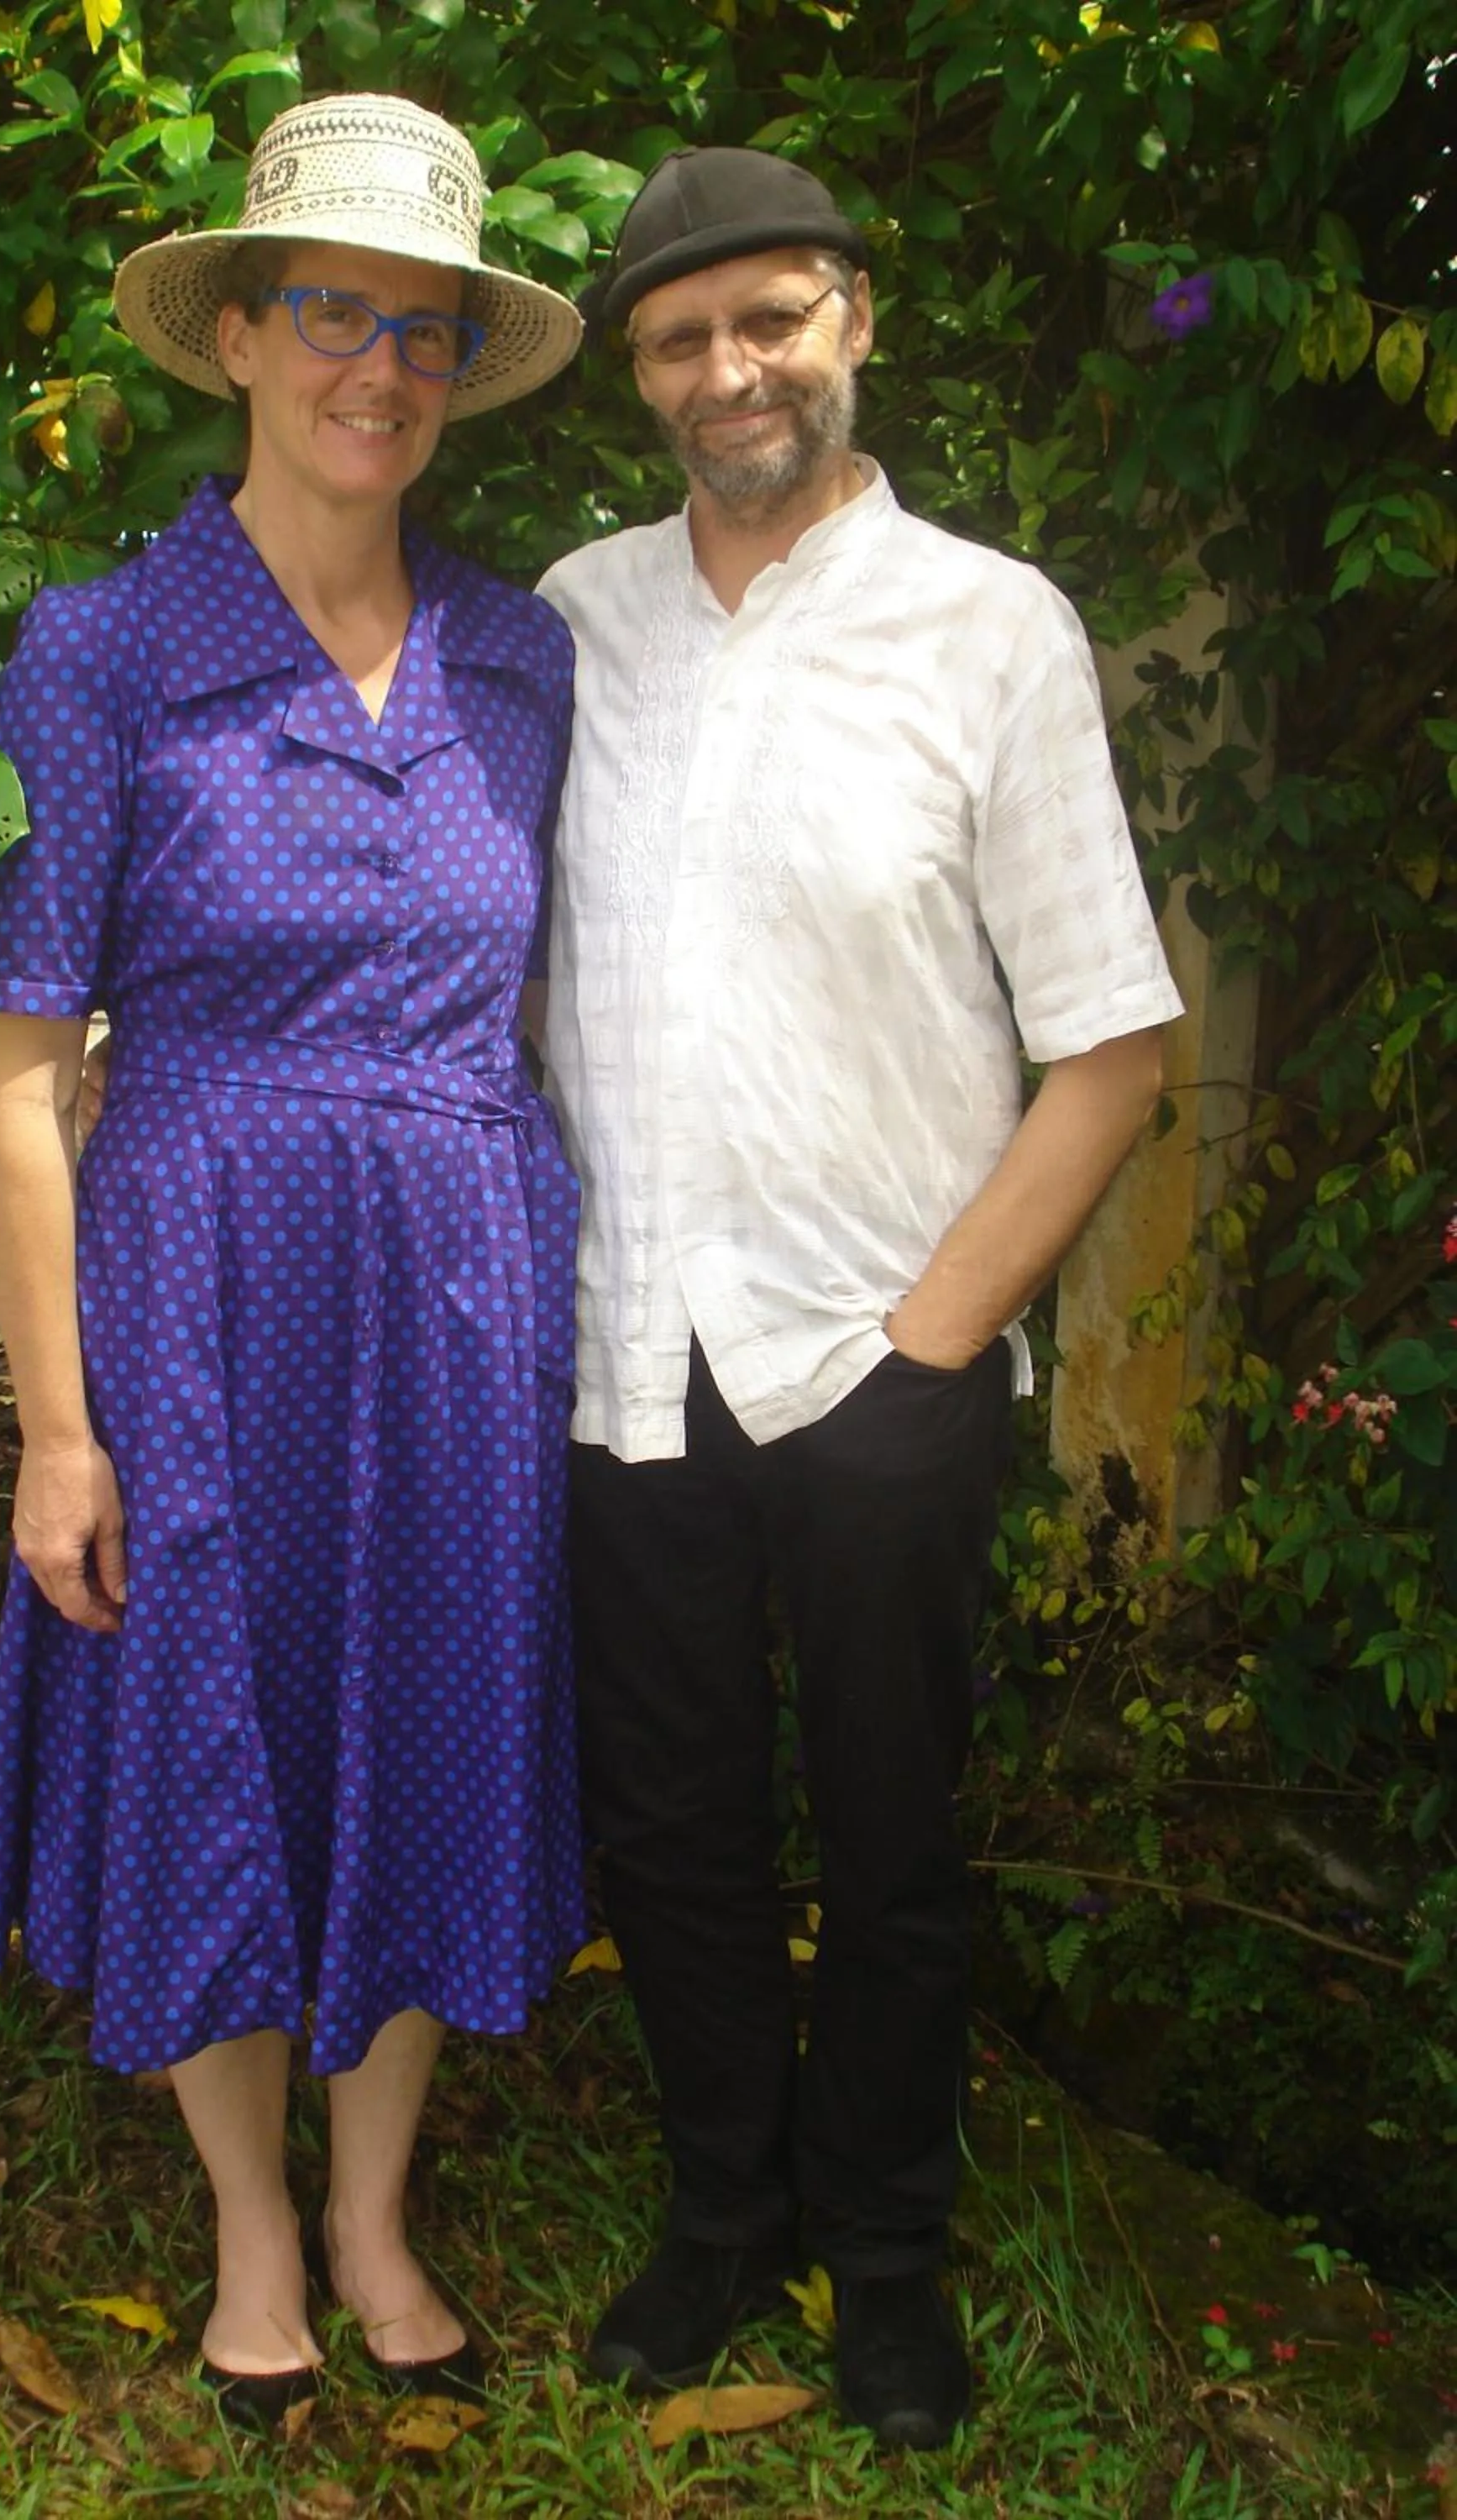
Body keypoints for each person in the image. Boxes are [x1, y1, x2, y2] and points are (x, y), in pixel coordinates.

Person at [535, 149, 1186, 2448]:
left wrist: (935, 1347)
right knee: (675, 1827)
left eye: (770, 321)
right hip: (627, 1350)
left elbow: (1110, 1042)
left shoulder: (990, 628)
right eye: (682, 339)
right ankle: (723, 2221)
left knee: (896, 1838)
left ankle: (887, 2260)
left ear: (856, 326)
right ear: (636, 377)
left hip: (878, 1358)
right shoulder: (572, 617)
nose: (732, 372)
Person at [0, 92, 585, 2428]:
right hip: (190, 1294)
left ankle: (373, 2205)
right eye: (332, 313)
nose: (377, 368)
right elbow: (29, 1073)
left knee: (425, 1730)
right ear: (237, 338)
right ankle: (248, 2222)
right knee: (208, 1739)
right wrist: (55, 1429)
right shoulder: (100, 650)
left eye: (420, 330)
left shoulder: (521, 663)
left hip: (455, 1293)